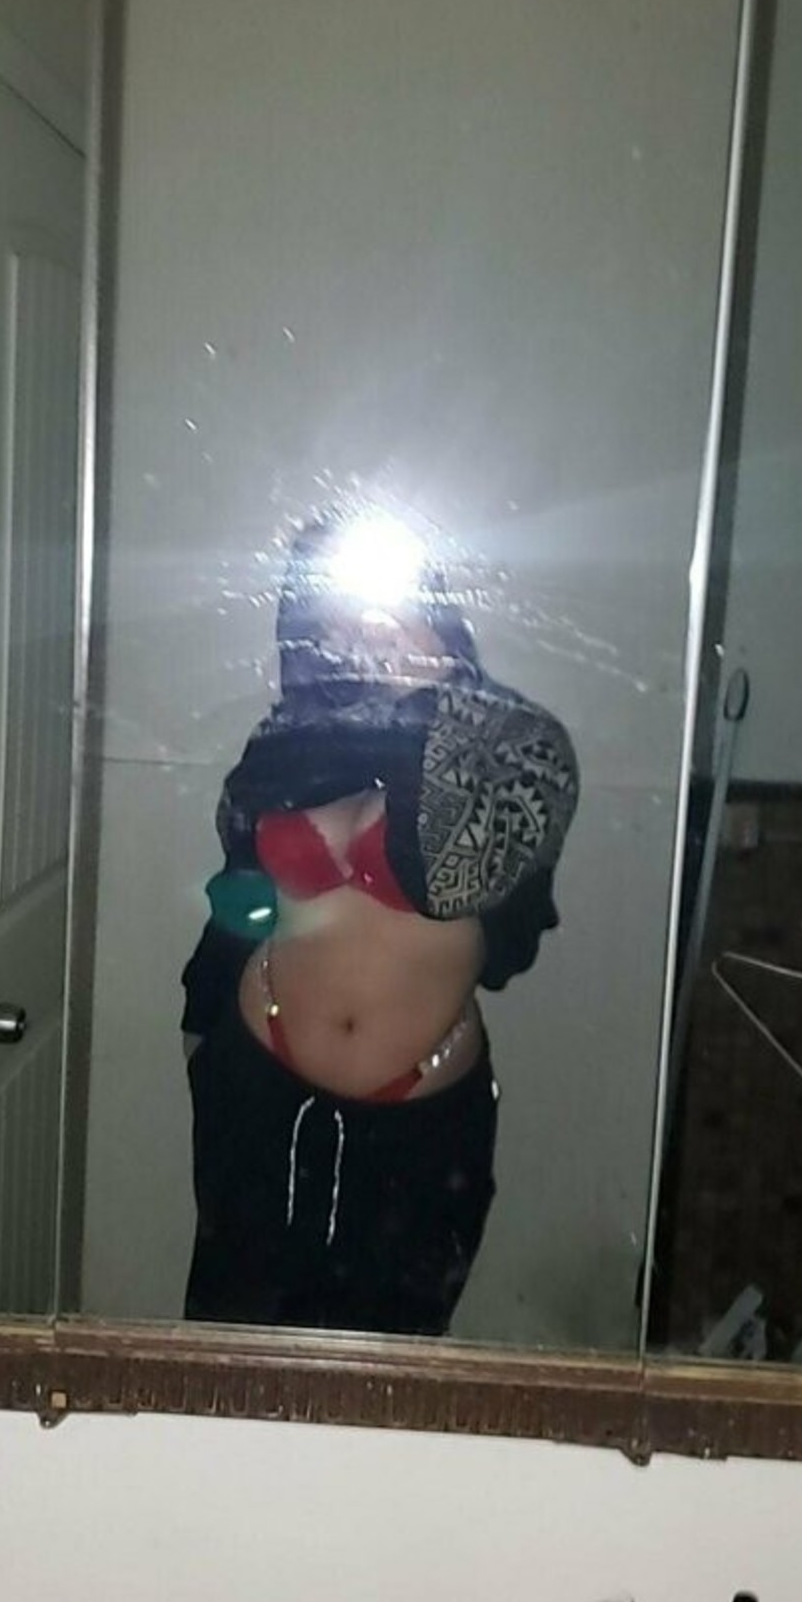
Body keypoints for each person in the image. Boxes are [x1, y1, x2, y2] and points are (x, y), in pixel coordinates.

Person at [180, 511, 579, 1336]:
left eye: (388, 607)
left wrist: (425, 699)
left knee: (389, 1370)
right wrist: (202, 1033)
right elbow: (240, 898)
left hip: (419, 1126)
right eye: (332, 614)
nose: (363, 631)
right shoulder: (290, 741)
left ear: (438, 608)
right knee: (227, 1350)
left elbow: (456, 887)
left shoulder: (516, 747)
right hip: (256, 1078)